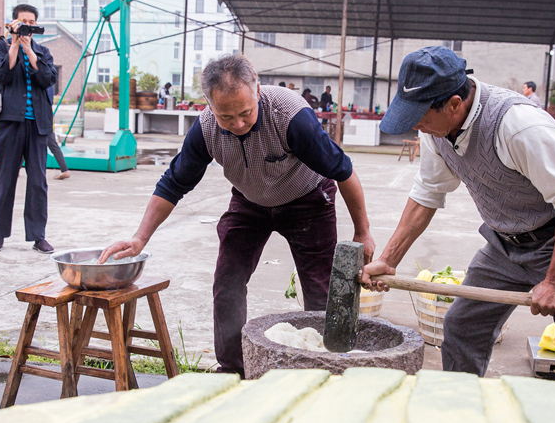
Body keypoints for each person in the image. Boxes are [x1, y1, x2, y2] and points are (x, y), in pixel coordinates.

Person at [100, 54, 375, 377]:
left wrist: (362, 231)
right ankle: (233, 369)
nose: (239, 124)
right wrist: (140, 238)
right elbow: (173, 184)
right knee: (227, 282)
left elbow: (344, 171)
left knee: (319, 290)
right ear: (209, 104)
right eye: (226, 117)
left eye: (245, 113)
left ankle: (323, 370)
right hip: (250, 203)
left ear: (257, 90)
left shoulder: (290, 116)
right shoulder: (205, 128)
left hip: (307, 200)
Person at [363, 46, 555, 387]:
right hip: (503, 244)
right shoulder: (435, 128)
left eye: (419, 116)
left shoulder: (519, 126)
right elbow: (428, 193)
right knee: (462, 327)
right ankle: (462, 405)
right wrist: (389, 259)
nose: (414, 125)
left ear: (454, 104)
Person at [0, 3, 58, 254]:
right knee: (5, 180)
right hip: (9, 123)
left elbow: (48, 79)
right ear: (13, 23)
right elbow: (2, 74)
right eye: (23, 21)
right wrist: (15, 44)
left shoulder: (42, 51)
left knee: (38, 182)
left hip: (38, 125)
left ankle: (38, 236)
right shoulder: (1, 46)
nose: (27, 26)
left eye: (31, 22)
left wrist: (29, 49)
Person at [46, 83, 70, 180]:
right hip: (46, 116)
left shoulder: (44, 83)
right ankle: (64, 170)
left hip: (43, 117)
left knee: (52, 144)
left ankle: (65, 170)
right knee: (28, 142)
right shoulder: (48, 83)